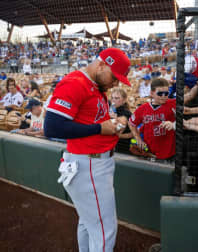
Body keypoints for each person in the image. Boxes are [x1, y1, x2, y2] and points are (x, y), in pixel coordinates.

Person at [44, 48, 131, 252]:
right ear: (101, 65)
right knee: (105, 230)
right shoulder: (75, 82)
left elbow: (88, 118)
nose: (116, 83)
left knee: (89, 222)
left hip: (91, 163)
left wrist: (111, 123)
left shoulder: (94, 85)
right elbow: (52, 127)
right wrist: (100, 128)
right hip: (89, 166)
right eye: (114, 77)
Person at [129, 78, 175, 160]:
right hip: (149, 152)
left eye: (166, 93)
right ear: (152, 93)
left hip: (169, 153)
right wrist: (138, 139)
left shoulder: (172, 104)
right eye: (160, 93)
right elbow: (131, 124)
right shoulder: (142, 108)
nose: (164, 96)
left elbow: (188, 97)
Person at [110, 87, 133, 155]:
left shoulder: (127, 114)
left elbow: (116, 131)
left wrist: (115, 119)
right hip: (110, 147)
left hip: (121, 149)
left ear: (124, 100)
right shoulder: (109, 111)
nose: (113, 100)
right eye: (112, 98)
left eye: (117, 98)